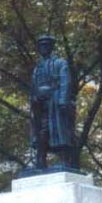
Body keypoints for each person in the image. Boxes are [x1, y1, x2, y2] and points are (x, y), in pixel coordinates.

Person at [30, 34, 75, 169]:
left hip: (55, 101)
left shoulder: (60, 63)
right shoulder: (37, 68)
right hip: (40, 104)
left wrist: (62, 100)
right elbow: (34, 86)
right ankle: (41, 160)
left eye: (46, 45)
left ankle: (64, 159)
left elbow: (65, 82)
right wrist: (34, 99)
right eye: (41, 46)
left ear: (51, 47)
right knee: (41, 131)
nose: (43, 48)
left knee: (59, 130)